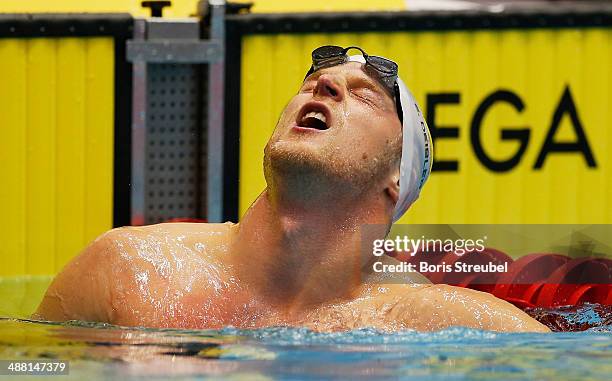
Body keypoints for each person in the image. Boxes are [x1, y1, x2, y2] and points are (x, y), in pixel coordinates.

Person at [35, 46, 548, 332]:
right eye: (313, 83)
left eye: (363, 97)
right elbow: (30, 370)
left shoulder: (439, 323)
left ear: (396, 184)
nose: (323, 86)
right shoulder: (126, 269)